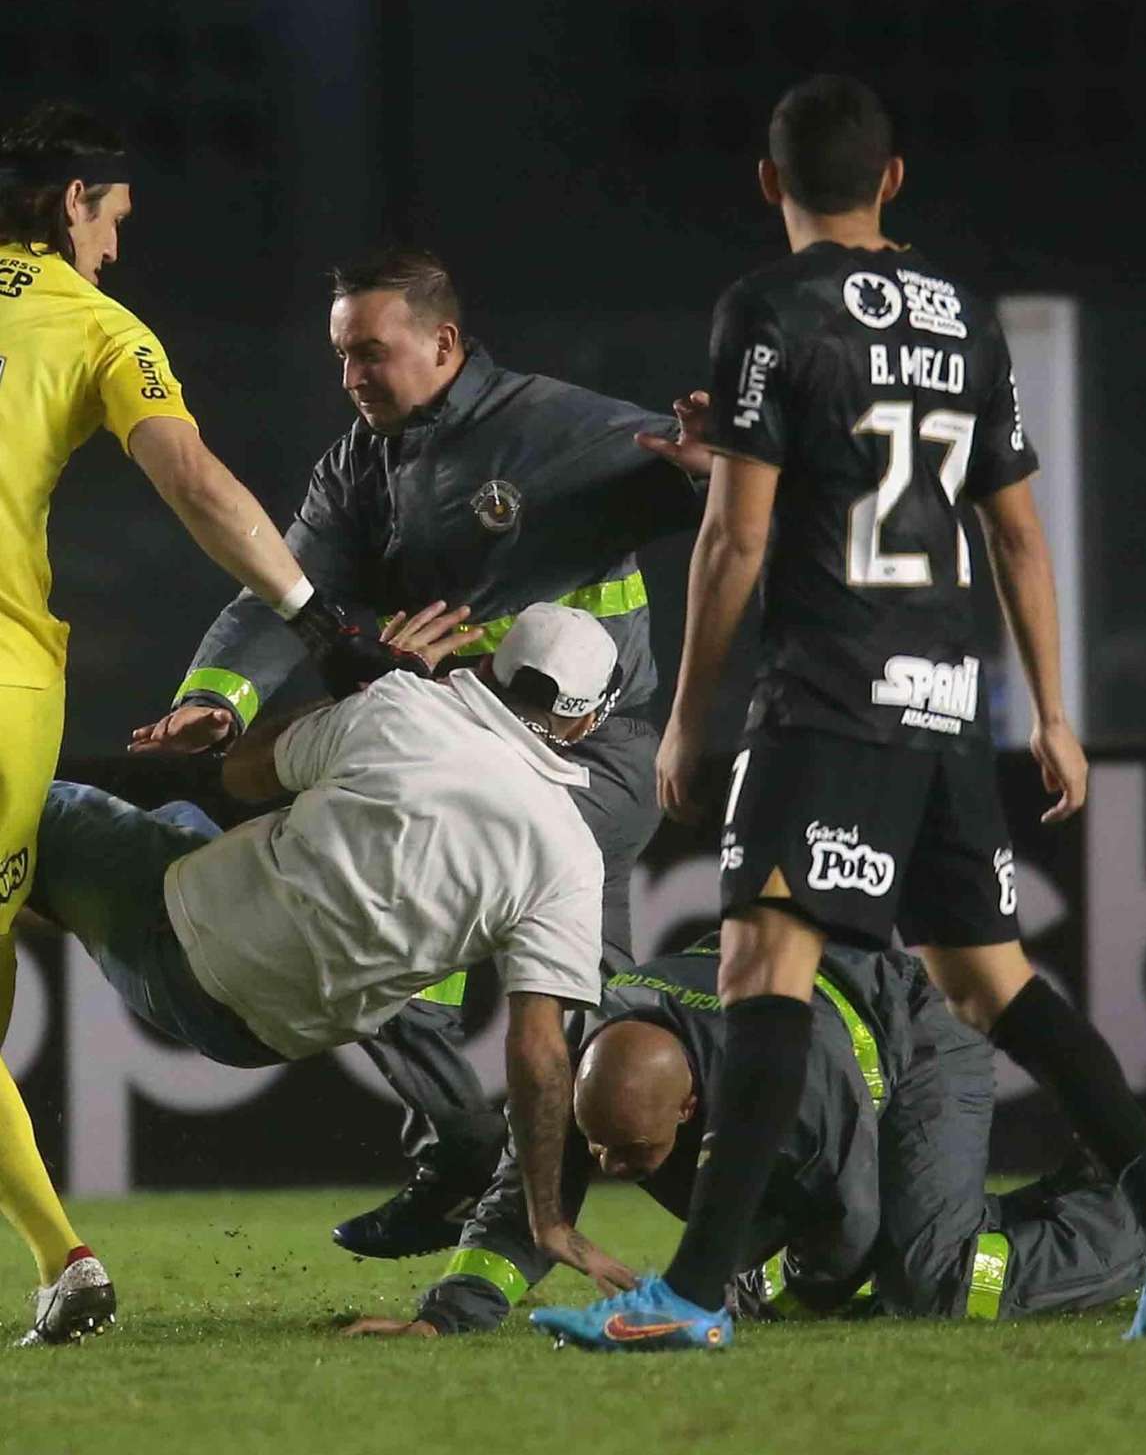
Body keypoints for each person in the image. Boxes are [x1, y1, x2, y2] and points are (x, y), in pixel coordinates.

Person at [542, 74, 1146, 1351]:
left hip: (831, 692)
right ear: (894, 180)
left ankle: (687, 1297)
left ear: (768, 181)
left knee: (762, 963)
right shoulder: (965, 318)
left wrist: (686, 718)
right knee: (989, 977)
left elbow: (735, 539)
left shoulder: (767, 308)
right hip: (948, 696)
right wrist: (1052, 712)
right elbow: (1015, 529)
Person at [128, 247, 712, 1254]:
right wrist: (213, 699)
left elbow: (704, 489)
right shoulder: (362, 465)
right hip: (468, 751)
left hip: (589, 751)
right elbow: (282, 584)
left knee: (395, 883)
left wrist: (713, 470)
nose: (350, 374)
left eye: (369, 352)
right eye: (339, 354)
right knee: (596, 1033)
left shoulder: (548, 425)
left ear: (443, 344)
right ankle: (745, 1225)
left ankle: (466, 1156)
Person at [0, 102, 403, 1346]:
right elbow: (191, 478)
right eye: (114, 219)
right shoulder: (93, 324)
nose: (118, 246)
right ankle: (66, 1258)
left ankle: (64, 1257)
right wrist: (316, 620)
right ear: (74, 206)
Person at [30, 603, 634, 1299]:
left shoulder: (402, 708)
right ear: (586, 724)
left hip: (181, 944)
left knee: (41, 809)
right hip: (266, 1038)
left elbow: (242, 773)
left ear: (488, 666)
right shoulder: (571, 859)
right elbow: (539, 1051)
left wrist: (369, 688)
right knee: (179, 827)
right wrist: (547, 1216)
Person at [341, 940, 1145, 1340]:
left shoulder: (785, 1090)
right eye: (600, 1148)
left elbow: (847, 1234)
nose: (613, 1171)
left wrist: (756, 1291)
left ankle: (1145, 1225)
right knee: (905, 1247)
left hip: (915, 1037)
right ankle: (1078, 1194)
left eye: (635, 1153)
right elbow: (527, 1201)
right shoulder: (586, 1076)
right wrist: (445, 1317)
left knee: (929, 1278)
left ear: (693, 1107)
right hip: (814, 1050)